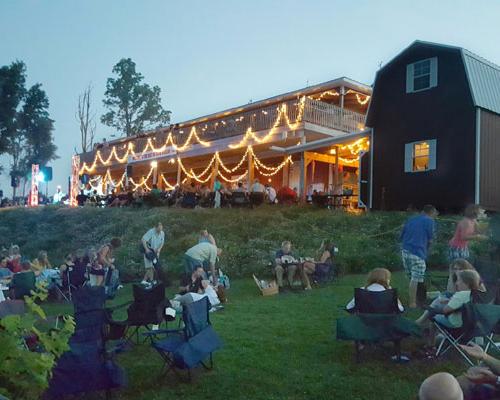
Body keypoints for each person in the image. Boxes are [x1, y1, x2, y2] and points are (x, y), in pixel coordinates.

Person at [416, 270, 481, 348]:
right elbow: (463, 305)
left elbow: (445, 311)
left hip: (456, 325)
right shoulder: (476, 294)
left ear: (466, 283)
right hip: (472, 325)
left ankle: (431, 343)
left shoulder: (460, 295)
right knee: (439, 304)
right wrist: (450, 301)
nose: (456, 283)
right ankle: (439, 336)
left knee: (433, 317)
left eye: (459, 280)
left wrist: (428, 308)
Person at [400, 204, 438, 308]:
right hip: (417, 251)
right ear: (431, 212)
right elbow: (430, 239)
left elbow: (402, 235)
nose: (436, 215)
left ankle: (417, 297)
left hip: (405, 250)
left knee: (411, 277)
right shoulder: (429, 221)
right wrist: (428, 251)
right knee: (416, 278)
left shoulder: (411, 219)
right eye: (435, 213)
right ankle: (413, 303)